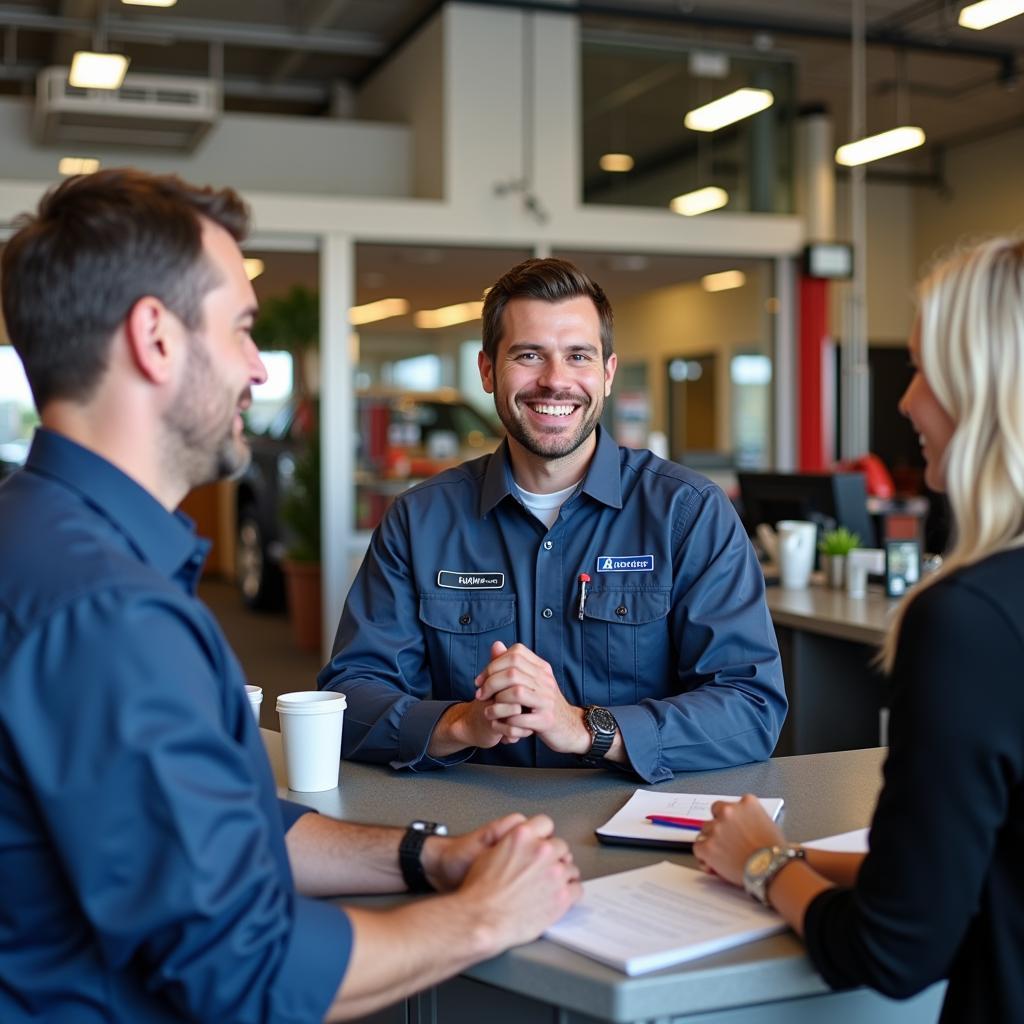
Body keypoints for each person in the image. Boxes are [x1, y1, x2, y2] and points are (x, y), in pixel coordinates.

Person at [0, 170, 580, 1023]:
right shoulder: (108, 612)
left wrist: (427, 857)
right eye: (240, 328)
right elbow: (247, 972)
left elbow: (216, 829)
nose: (260, 369)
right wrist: (487, 913)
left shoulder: (38, 536)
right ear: (155, 339)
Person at [692, 238, 1024, 1023]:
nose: (906, 403)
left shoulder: (969, 623)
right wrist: (815, 861)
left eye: (923, 370)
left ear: (988, 388)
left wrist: (765, 863)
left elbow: (894, 950)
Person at [321, 257, 786, 783]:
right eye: (528, 355)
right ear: (488, 370)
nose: (555, 380)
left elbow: (750, 709)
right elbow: (347, 698)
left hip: (638, 824)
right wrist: (460, 723)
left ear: (607, 374)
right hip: (471, 828)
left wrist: (589, 728)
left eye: (578, 356)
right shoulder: (419, 520)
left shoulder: (689, 513)